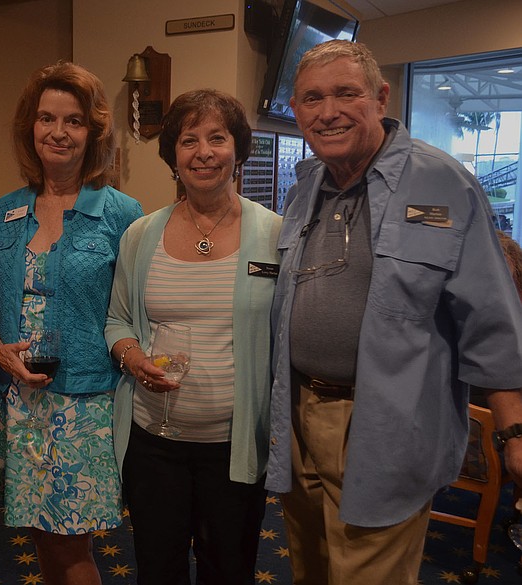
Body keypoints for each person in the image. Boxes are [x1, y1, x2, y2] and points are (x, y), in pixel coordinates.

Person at [266, 39, 522, 585]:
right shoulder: (305, 185)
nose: (328, 111)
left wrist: (513, 431)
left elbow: (490, 320)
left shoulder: (443, 183)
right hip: (297, 414)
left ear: (380, 97)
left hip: (386, 422)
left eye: (345, 93)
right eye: (312, 98)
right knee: (309, 568)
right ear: (296, 111)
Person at [0, 62, 142, 585]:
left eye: (73, 121)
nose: (58, 132)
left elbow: (134, 311)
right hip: (16, 398)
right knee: (40, 536)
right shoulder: (5, 210)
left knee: (73, 545)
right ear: (32, 126)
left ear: (93, 132)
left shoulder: (120, 213)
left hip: (82, 403)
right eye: (47, 118)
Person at [104, 89, 282, 584]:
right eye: (189, 141)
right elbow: (117, 320)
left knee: (229, 568)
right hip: (154, 443)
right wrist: (133, 355)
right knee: (157, 568)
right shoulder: (141, 234)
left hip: (235, 445)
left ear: (238, 150)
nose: (203, 152)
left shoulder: (273, 233)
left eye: (217, 138)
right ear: (173, 158)